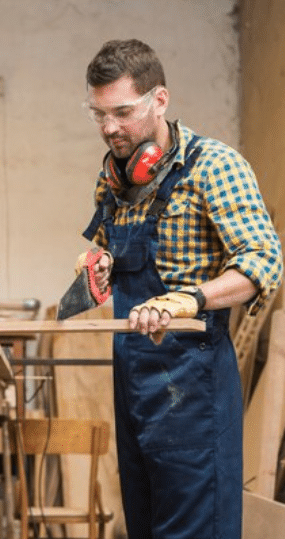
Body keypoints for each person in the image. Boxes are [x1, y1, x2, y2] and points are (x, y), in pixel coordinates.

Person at [78, 39, 283, 539]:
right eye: (98, 114)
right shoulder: (113, 182)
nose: (110, 128)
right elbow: (102, 257)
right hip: (133, 384)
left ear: (160, 100)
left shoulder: (214, 167)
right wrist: (98, 267)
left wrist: (190, 298)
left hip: (193, 387)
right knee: (145, 527)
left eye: (122, 112)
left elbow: (264, 261)